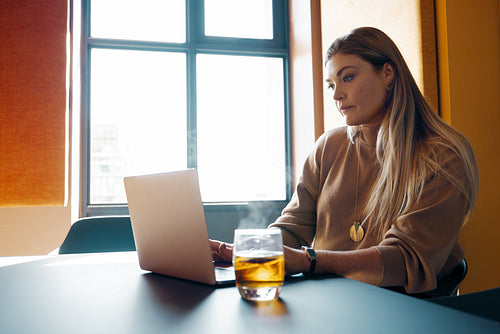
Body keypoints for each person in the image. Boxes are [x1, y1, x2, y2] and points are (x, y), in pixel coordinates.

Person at [210, 27, 479, 296]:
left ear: (388, 73)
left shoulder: (442, 155)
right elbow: (294, 225)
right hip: (328, 299)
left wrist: (309, 261)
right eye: (331, 85)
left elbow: (404, 260)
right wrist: (254, 249)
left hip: (405, 310)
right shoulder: (328, 146)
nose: (337, 94)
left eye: (347, 78)